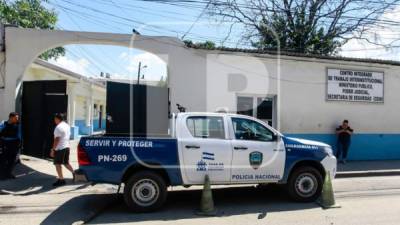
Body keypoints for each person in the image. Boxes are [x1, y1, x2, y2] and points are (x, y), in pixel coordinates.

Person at [51, 113, 74, 187]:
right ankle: (75, 174)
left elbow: (57, 139)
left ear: (57, 119)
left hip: (60, 148)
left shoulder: (58, 127)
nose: (54, 120)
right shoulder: (67, 125)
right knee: (66, 163)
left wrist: (53, 150)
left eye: (55, 119)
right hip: (66, 147)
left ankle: (61, 180)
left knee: (57, 164)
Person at [0, 112, 21, 180]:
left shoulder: (18, 124)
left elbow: (19, 135)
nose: (17, 119)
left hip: (14, 144)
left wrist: (20, 144)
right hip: (5, 143)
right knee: (3, 160)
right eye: (16, 118)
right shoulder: (3, 123)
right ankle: (2, 175)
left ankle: (9, 173)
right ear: (11, 117)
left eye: (17, 118)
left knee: (12, 160)